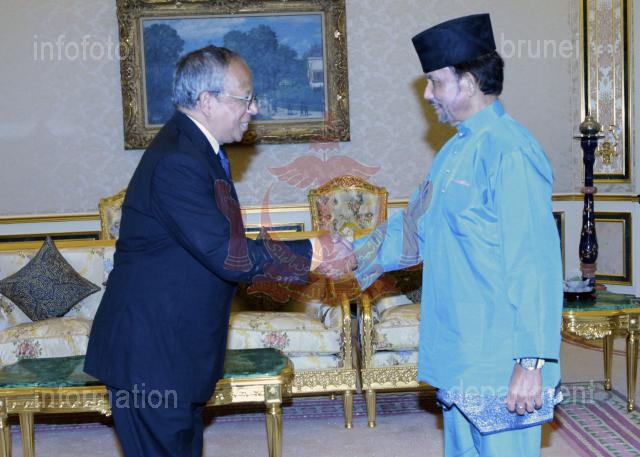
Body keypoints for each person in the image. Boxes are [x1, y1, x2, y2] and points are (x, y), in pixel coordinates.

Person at [84, 45, 354, 457]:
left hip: (173, 351)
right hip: (151, 356)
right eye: (245, 98)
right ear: (207, 100)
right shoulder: (178, 160)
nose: (254, 109)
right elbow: (228, 254)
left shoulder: (196, 149)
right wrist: (315, 250)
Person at [352, 14, 563, 457]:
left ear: (467, 82)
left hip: (500, 359)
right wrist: (342, 255)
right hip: (458, 353)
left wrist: (531, 362)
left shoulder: (512, 151)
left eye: (435, 82)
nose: (427, 94)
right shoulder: (452, 151)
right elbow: (414, 230)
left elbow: (535, 265)